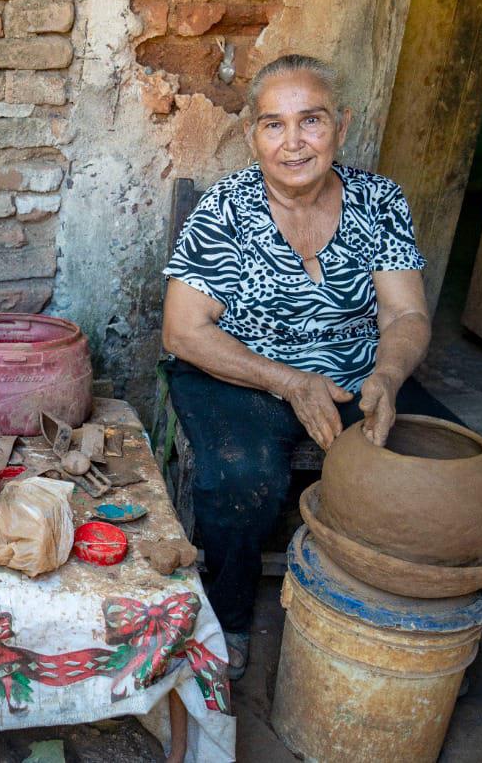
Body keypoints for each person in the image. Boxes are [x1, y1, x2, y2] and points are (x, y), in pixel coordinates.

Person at [161, 54, 461, 679]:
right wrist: (289, 380)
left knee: (441, 472)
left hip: (356, 370)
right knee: (244, 478)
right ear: (253, 136)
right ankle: (230, 616)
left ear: (342, 126)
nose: (293, 142)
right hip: (242, 374)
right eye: (274, 125)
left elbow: (406, 317)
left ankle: (403, 629)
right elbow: (184, 331)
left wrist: (385, 377)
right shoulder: (226, 209)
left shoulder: (378, 202)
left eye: (311, 121)